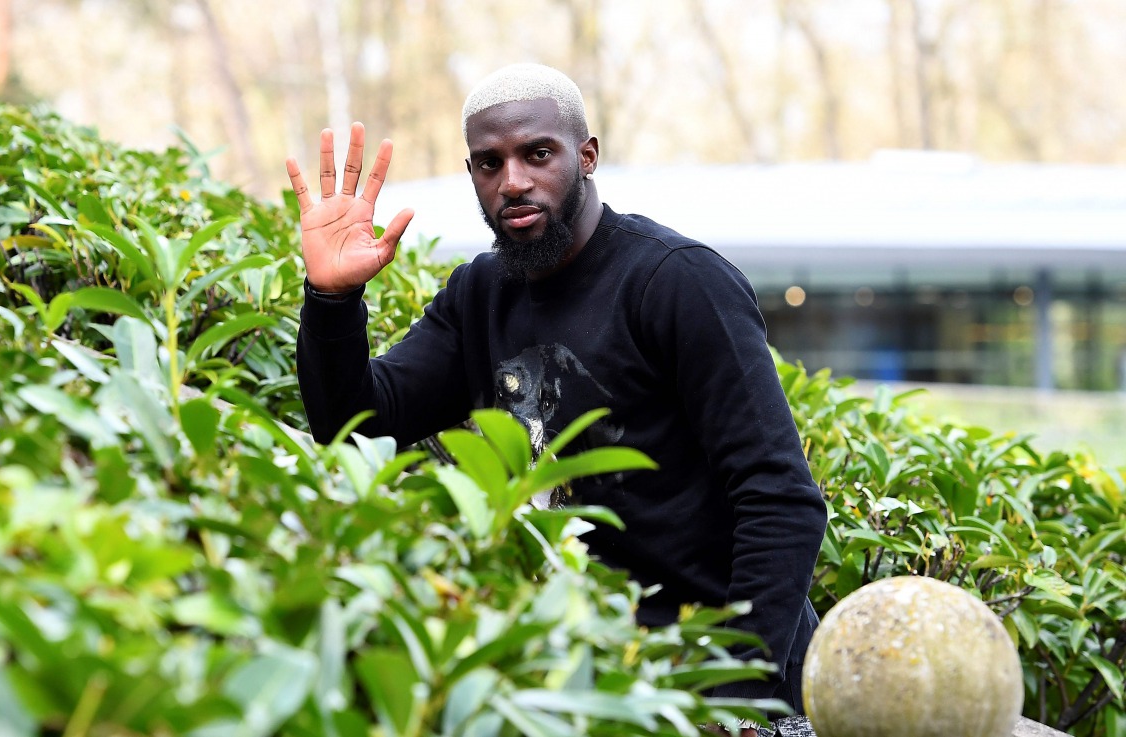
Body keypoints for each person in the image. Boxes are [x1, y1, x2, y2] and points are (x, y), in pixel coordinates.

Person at [287, 64, 827, 733]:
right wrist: (333, 300)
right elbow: (354, 423)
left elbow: (780, 496)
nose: (512, 181)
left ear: (587, 155)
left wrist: (734, 694)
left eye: (537, 153)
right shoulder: (480, 294)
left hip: (723, 684)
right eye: (489, 163)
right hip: (583, 681)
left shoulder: (677, 283)